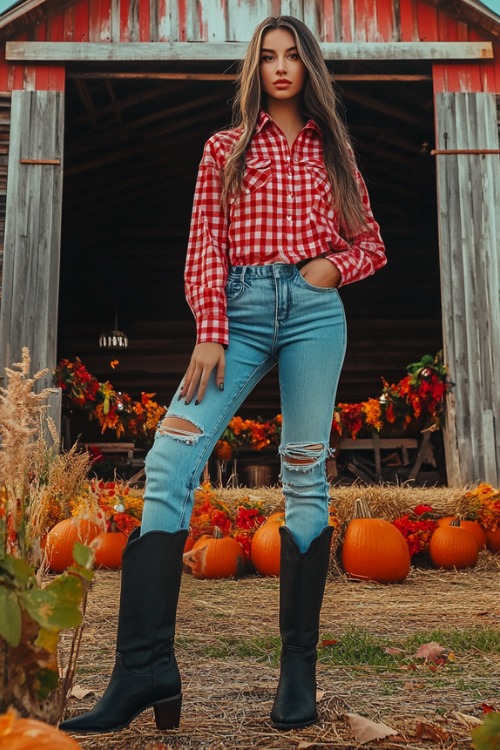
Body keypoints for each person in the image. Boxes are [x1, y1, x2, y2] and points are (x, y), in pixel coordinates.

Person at [60, 14, 386, 736]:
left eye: (291, 57)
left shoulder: (336, 151)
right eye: (267, 56)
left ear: (309, 69)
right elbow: (204, 242)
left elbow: (371, 243)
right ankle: (143, 670)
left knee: (305, 472)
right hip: (235, 310)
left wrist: (335, 265)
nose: (279, 68)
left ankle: (296, 674)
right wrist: (211, 328)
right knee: (172, 455)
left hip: (313, 313)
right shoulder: (223, 149)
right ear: (253, 68)